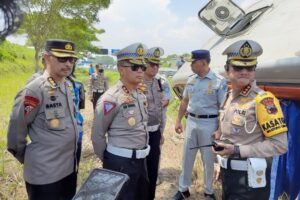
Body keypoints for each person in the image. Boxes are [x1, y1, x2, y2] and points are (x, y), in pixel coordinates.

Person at [213, 40, 288, 200]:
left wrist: (237, 150)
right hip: (229, 176)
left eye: (250, 67)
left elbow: (280, 145)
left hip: (251, 181)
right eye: (238, 67)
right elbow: (227, 136)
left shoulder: (263, 100)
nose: (245, 71)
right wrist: (219, 162)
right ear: (227, 69)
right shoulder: (228, 96)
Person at [7, 39, 79, 200]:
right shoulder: (34, 90)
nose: (68, 64)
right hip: (44, 175)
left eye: (71, 59)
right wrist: (36, 159)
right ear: (46, 58)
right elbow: (15, 136)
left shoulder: (66, 86)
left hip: (67, 170)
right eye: (62, 58)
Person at [91, 43, 150, 200]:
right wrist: (109, 160)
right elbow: (97, 135)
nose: (140, 71)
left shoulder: (139, 94)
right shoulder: (110, 98)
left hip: (140, 160)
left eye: (142, 67)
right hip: (120, 162)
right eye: (135, 67)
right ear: (121, 69)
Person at [173, 50, 227, 200]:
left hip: (209, 124)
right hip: (191, 122)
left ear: (203, 62)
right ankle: (183, 189)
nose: (190, 65)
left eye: (193, 62)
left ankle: (209, 191)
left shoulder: (218, 81)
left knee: (208, 159)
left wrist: (219, 130)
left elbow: (223, 108)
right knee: (187, 157)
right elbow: (184, 101)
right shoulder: (191, 80)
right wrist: (178, 120)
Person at [143, 47, 166, 200]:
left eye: (157, 64)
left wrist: (161, 132)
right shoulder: (137, 82)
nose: (155, 67)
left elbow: (160, 110)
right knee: (140, 172)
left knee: (152, 170)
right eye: (152, 64)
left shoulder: (158, 82)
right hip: (141, 133)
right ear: (144, 63)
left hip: (155, 131)